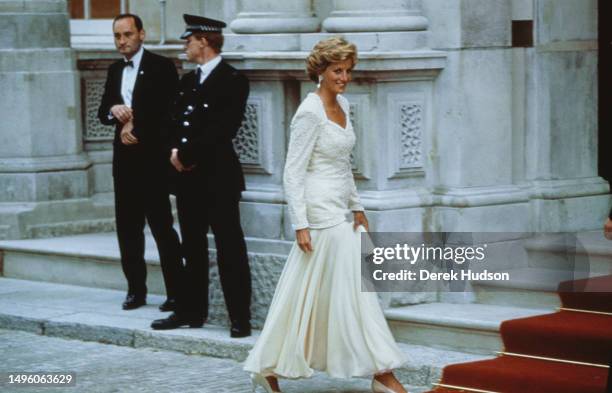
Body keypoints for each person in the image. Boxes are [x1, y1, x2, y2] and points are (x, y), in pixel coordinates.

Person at [243, 37, 409, 393]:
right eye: (337, 70)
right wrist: (300, 223)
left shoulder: (345, 104)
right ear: (320, 71)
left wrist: (358, 205)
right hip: (319, 211)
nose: (344, 77)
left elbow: (343, 164)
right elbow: (293, 171)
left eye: (348, 70)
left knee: (307, 293)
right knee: (355, 290)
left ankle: (266, 365)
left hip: (342, 207)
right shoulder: (308, 112)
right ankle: (383, 374)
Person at [150, 14, 252, 338]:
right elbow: (171, 124)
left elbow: (223, 129)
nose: (185, 45)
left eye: (188, 40)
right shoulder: (187, 82)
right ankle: (191, 311)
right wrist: (173, 155)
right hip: (187, 180)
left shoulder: (233, 80)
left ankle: (240, 317)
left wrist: (187, 155)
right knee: (191, 248)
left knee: (229, 248)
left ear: (204, 41)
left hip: (218, 178)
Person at [97, 14, 183, 312]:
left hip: (154, 161)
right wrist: (114, 111)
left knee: (162, 226)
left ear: (142, 34)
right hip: (124, 162)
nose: (122, 41)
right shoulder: (114, 69)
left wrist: (135, 126)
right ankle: (136, 290)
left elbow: (168, 113)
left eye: (128, 34)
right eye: (117, 36)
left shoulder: (162, 66)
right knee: (127, 227)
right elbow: (102, 112)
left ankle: (176, 292)